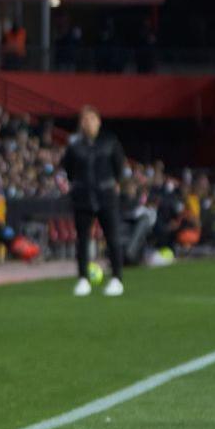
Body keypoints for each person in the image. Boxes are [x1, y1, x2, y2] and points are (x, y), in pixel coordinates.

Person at [61, 106, 125, 296]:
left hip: (106, 196)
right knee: (82, 240)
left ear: (98, 121)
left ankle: (117, 278)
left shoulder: (110, 142)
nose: (87, 123)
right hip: (83, 197)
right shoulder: (75, 146)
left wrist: (113, 183)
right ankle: (82, 279)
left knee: (112, 237)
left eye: (91, 119)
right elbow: (69, 171)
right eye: (84, 119)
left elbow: (119, 167)